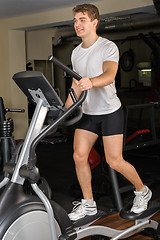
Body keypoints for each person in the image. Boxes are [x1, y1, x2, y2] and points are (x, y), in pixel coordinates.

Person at [65, 3, 152, 221]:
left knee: (114, 160)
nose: (77, 24)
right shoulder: (75, 53)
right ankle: (88, 204)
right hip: (88, 113)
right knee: (79, 156)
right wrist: (64, 109)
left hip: (110, 111)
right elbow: (76, 85)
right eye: (75, 20)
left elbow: (110, 75)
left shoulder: (107, 47)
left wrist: (90, 82)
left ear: (94, 22)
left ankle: (142, 191)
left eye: (82, 20)